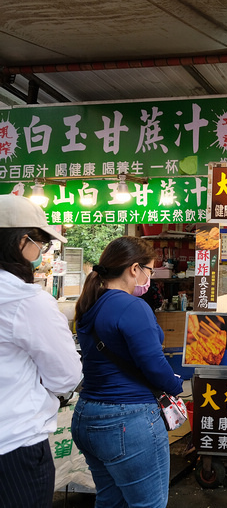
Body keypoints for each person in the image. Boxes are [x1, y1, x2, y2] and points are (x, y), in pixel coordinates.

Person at [72, 236, 183, 508]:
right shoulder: (132, 307)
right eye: (149, 270)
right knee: (149, 504)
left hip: (87, 414)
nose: (149, 278)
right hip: (128, 421)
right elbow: (154, 365)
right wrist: (176, 386)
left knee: (111, 501)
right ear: (134, 269)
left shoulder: (90, 302)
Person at [0, 195, 83, 508]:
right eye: (42, 243)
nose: (42, 252)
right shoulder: (25, 300)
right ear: (22, 241)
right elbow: (66, 376)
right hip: (15, 446)